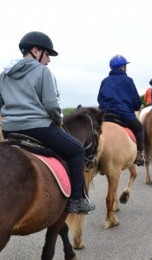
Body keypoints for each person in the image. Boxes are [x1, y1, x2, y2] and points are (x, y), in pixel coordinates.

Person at [0, 31, 95, 214]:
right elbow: (51, 105)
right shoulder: (42, 71)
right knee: (76, 149)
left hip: (10, 131)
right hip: (39, 128)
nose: (49, 60)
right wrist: (58, 120)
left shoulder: (4, 74)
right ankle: (76, 200)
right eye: (47, 54)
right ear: (35, 50)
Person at [97, 54, 145, 166]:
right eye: (125, 66)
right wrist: (136, 106)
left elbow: (99, 99)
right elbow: (136, 101)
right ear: (122, 67)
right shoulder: (128, 80)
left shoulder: (104, 81)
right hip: (123, 115)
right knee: (139, 129)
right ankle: (139, 154)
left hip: (105, 115)